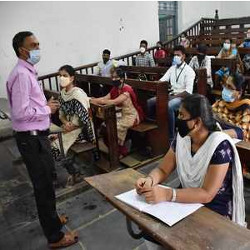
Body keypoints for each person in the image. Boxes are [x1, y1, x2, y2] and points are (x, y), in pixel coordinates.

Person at [136, 94, 245, 249]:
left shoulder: (219, 146)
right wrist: (150, 180)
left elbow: (207, 193)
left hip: (213, 205)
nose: (177, 119)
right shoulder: (183, 138)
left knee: (183, 239)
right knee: (151, 231)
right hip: (187, 195)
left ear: (197, 122)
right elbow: (162, 169)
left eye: (182, 115)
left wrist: (168, 194)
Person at [6, 31, 78, 248]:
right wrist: (46, 109)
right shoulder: (21, 74)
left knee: (48, 180)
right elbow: (19, 112)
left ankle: (52, 220)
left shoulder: (27, 72)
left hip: (37, 136)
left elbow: (29, 104)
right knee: (43, 185)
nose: (38, 48)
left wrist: (44, 106)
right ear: (22, 49)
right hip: (31, 138)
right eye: (34, 45)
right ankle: (54, 237)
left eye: (38, 43)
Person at [50, 65, 95, 185]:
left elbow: (84, 118)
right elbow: (61, 114)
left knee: (55, 146)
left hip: (82, 130)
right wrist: (65, 123)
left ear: (72, 78)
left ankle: (75, 172)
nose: (61, 78)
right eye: (60, 75)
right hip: (69, 127)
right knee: (50, 141)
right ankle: (73, 171)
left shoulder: (78, 94)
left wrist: (69, 127)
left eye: (65, 75)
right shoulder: (63, 94)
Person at [91, 68, 144, 157]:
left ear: (122, 79)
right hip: (121, 114)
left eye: (116, 77)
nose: (113, 79)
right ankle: (116, 150)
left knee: (114, 127)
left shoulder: (127, 89)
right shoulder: (115, 89)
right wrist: (92, 100)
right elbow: (105, 98)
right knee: (105, 125)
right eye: (112, 77)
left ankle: (121, 150)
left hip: (132, 116)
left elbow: (114, 102)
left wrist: (98, 101)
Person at [147, 45, 195, 142]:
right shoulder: (172, 68)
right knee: (150, 102)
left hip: (183, 97)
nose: (176, 57)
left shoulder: (189, 71)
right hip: (171, 95)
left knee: (169, 106)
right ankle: (157, 127)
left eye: (178, 55)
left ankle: (171, 136)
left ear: (184, 56)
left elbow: (188, 92)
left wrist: (173, 97)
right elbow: (162, 80)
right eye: (174, 55)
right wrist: (154, 84)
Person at [212, 73, 250, 141]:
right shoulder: (220, 103)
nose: (225, 89)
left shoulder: (247, 110)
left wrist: (220, 133)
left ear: (239, 93)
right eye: (225, 85)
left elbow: (244, 135)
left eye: (229, 87)